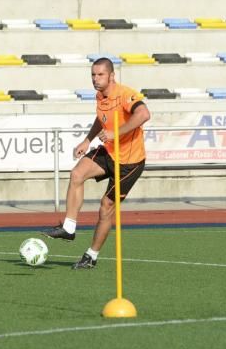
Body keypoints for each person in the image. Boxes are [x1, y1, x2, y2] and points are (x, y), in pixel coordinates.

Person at [42, 58, 150, 269]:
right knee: (76, 174)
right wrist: (87, 140)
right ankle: (69, 227)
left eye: (100, 75)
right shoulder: (100, 96)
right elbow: (102, 120)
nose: (95, 79)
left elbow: (144, 114)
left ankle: (91, 256)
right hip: (109, 152)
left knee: (105, 208)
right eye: (93, 75)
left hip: (129, 162)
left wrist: (115, 133)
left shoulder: (125, 94)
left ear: (111, 76)